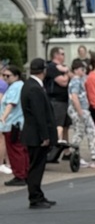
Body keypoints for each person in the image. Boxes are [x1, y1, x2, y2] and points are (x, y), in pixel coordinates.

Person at [21, 58, 57, 208]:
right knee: (36, 166)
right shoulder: (34, 88)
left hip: (34, 133)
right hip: (36, 135)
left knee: (38, 166)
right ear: (44, 70)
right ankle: (34, 197)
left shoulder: (31, 85)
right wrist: (45, 136)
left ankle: (38, 194)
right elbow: (39, 114)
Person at [67, 59, 95, 167]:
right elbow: (75, 97)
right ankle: (75, 155)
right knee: (80, 132)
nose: (84, 71)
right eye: (82, 69)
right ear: (76, 70)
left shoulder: (82, 79)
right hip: (83, 110)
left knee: (92, 131)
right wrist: (80, 111)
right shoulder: (76, 81)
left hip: (87, 109)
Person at [1, 64, 28, 187]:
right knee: (20, 150)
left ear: (16, 76)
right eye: (3, 75)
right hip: (17, 123)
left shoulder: (15, 87)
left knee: (15, 150)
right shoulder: (19, 86)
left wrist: (3, 117)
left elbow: (11, 104)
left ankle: (19, 175)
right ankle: (24, 173)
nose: (5, 78)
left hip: (13, 124)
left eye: (8, 75)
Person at [44, 46, 70, 145]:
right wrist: (66, 72)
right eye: (62, 54)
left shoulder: (63, 67)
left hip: (65, 101)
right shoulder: (51, 67)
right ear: (56, 55)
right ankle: (55, 149)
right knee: (58, 125)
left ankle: (66, 151)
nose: (64, 56)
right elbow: (63, 82)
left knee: (65, 126)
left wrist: (66, 70)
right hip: (57, 101)